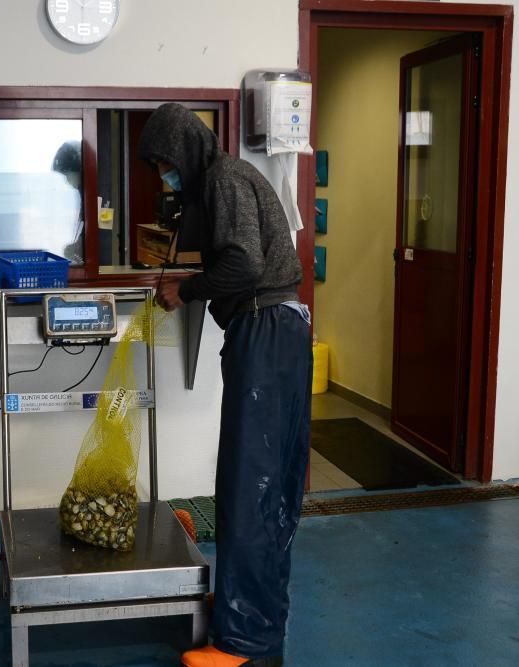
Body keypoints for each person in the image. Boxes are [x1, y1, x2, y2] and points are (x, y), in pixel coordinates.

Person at [139, 103, 312, 667]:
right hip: (266, 330)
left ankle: (247, 643)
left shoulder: (225, 179)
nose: (166, 175)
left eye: (167, 163)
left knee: (252, 482)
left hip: (266, 329)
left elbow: (241, 264)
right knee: (254, 479)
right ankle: (247, 607)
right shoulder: (220, 180)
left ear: (185, 149)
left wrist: (186, 290)